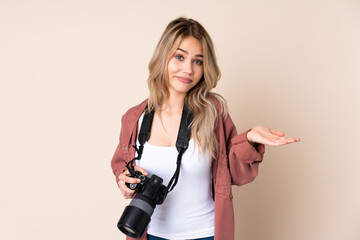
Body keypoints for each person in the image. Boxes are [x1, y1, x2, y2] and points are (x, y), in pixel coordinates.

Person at [111, 17, 300, 240]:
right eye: (179, 57)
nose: (188, 69)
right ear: (163, 58)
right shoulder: (134, 118)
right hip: (149, 233)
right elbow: (122, 165)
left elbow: (236, 173)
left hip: (205, 233)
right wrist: (124, 181)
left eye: (198, 61)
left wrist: (248, 139)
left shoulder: (214, 113)